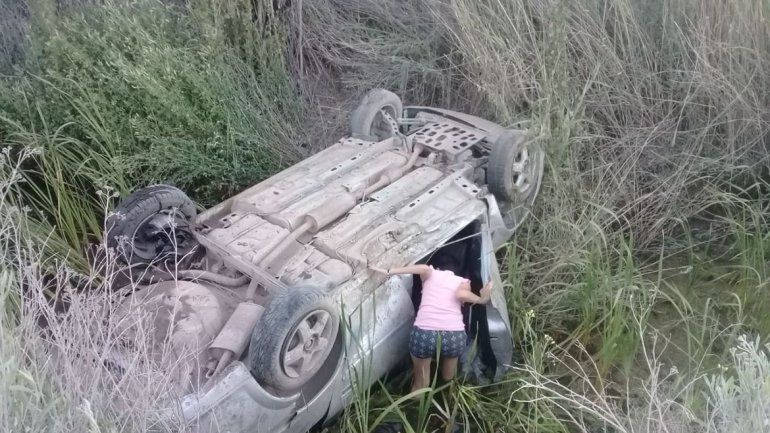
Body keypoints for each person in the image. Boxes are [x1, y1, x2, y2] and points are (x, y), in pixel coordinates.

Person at [370, 257, 493, 392]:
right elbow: (461, 294)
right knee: (448, 377)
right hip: (453, 335)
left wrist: (389, 271)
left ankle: (417, 404)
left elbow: (423, 268)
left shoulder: (432, 273)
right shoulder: (462, 281)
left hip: (425, 334)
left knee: (421, 384)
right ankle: (446, 396)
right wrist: (481, 299)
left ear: (437, 267)